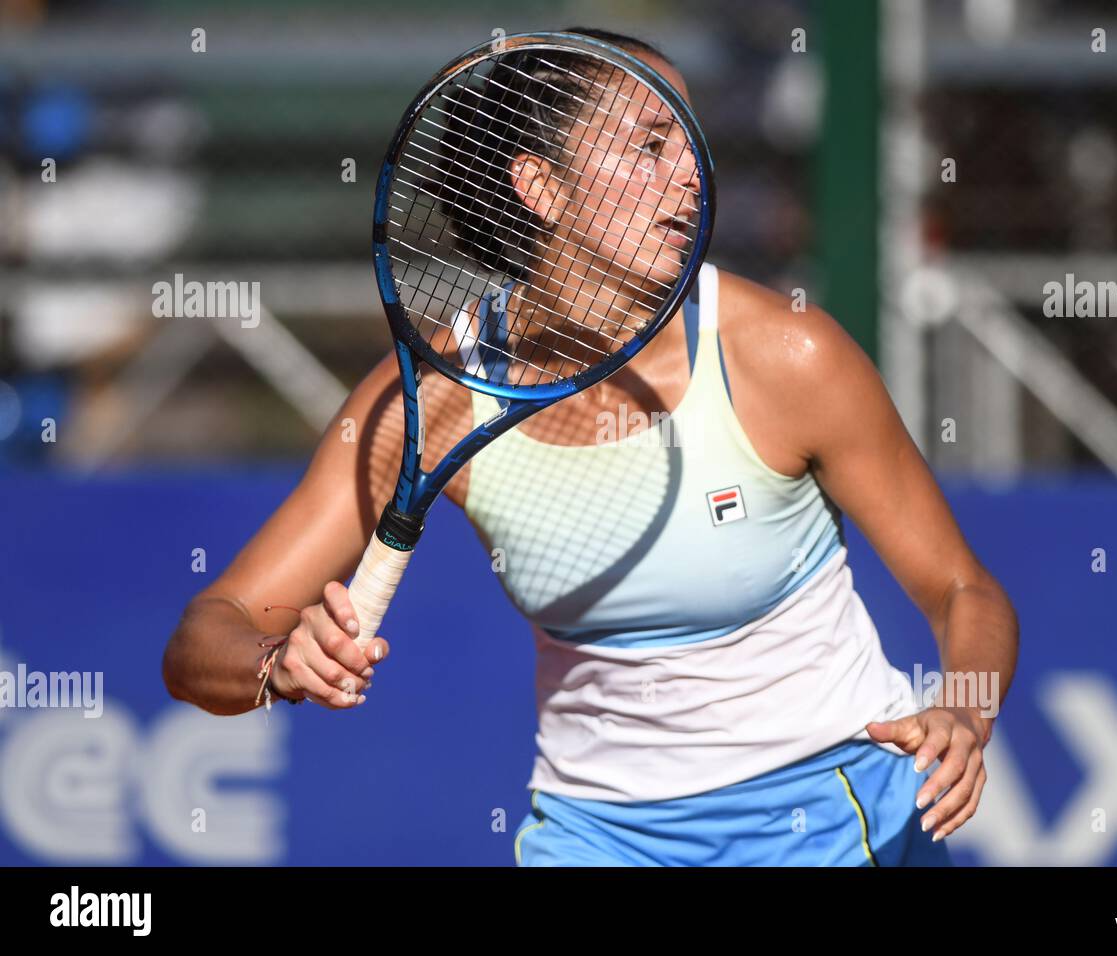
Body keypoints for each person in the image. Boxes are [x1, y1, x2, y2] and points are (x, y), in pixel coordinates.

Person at [164, 27, 1018, 866]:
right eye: (649, 144)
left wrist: (966, 712)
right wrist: (278, 664)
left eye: (690, 144)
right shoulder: (430, 400)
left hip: (835, 822)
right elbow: (209, 635)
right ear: (541, 185)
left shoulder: (787, 357)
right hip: (594, 838)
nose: (690, 176)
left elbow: (964, 589)